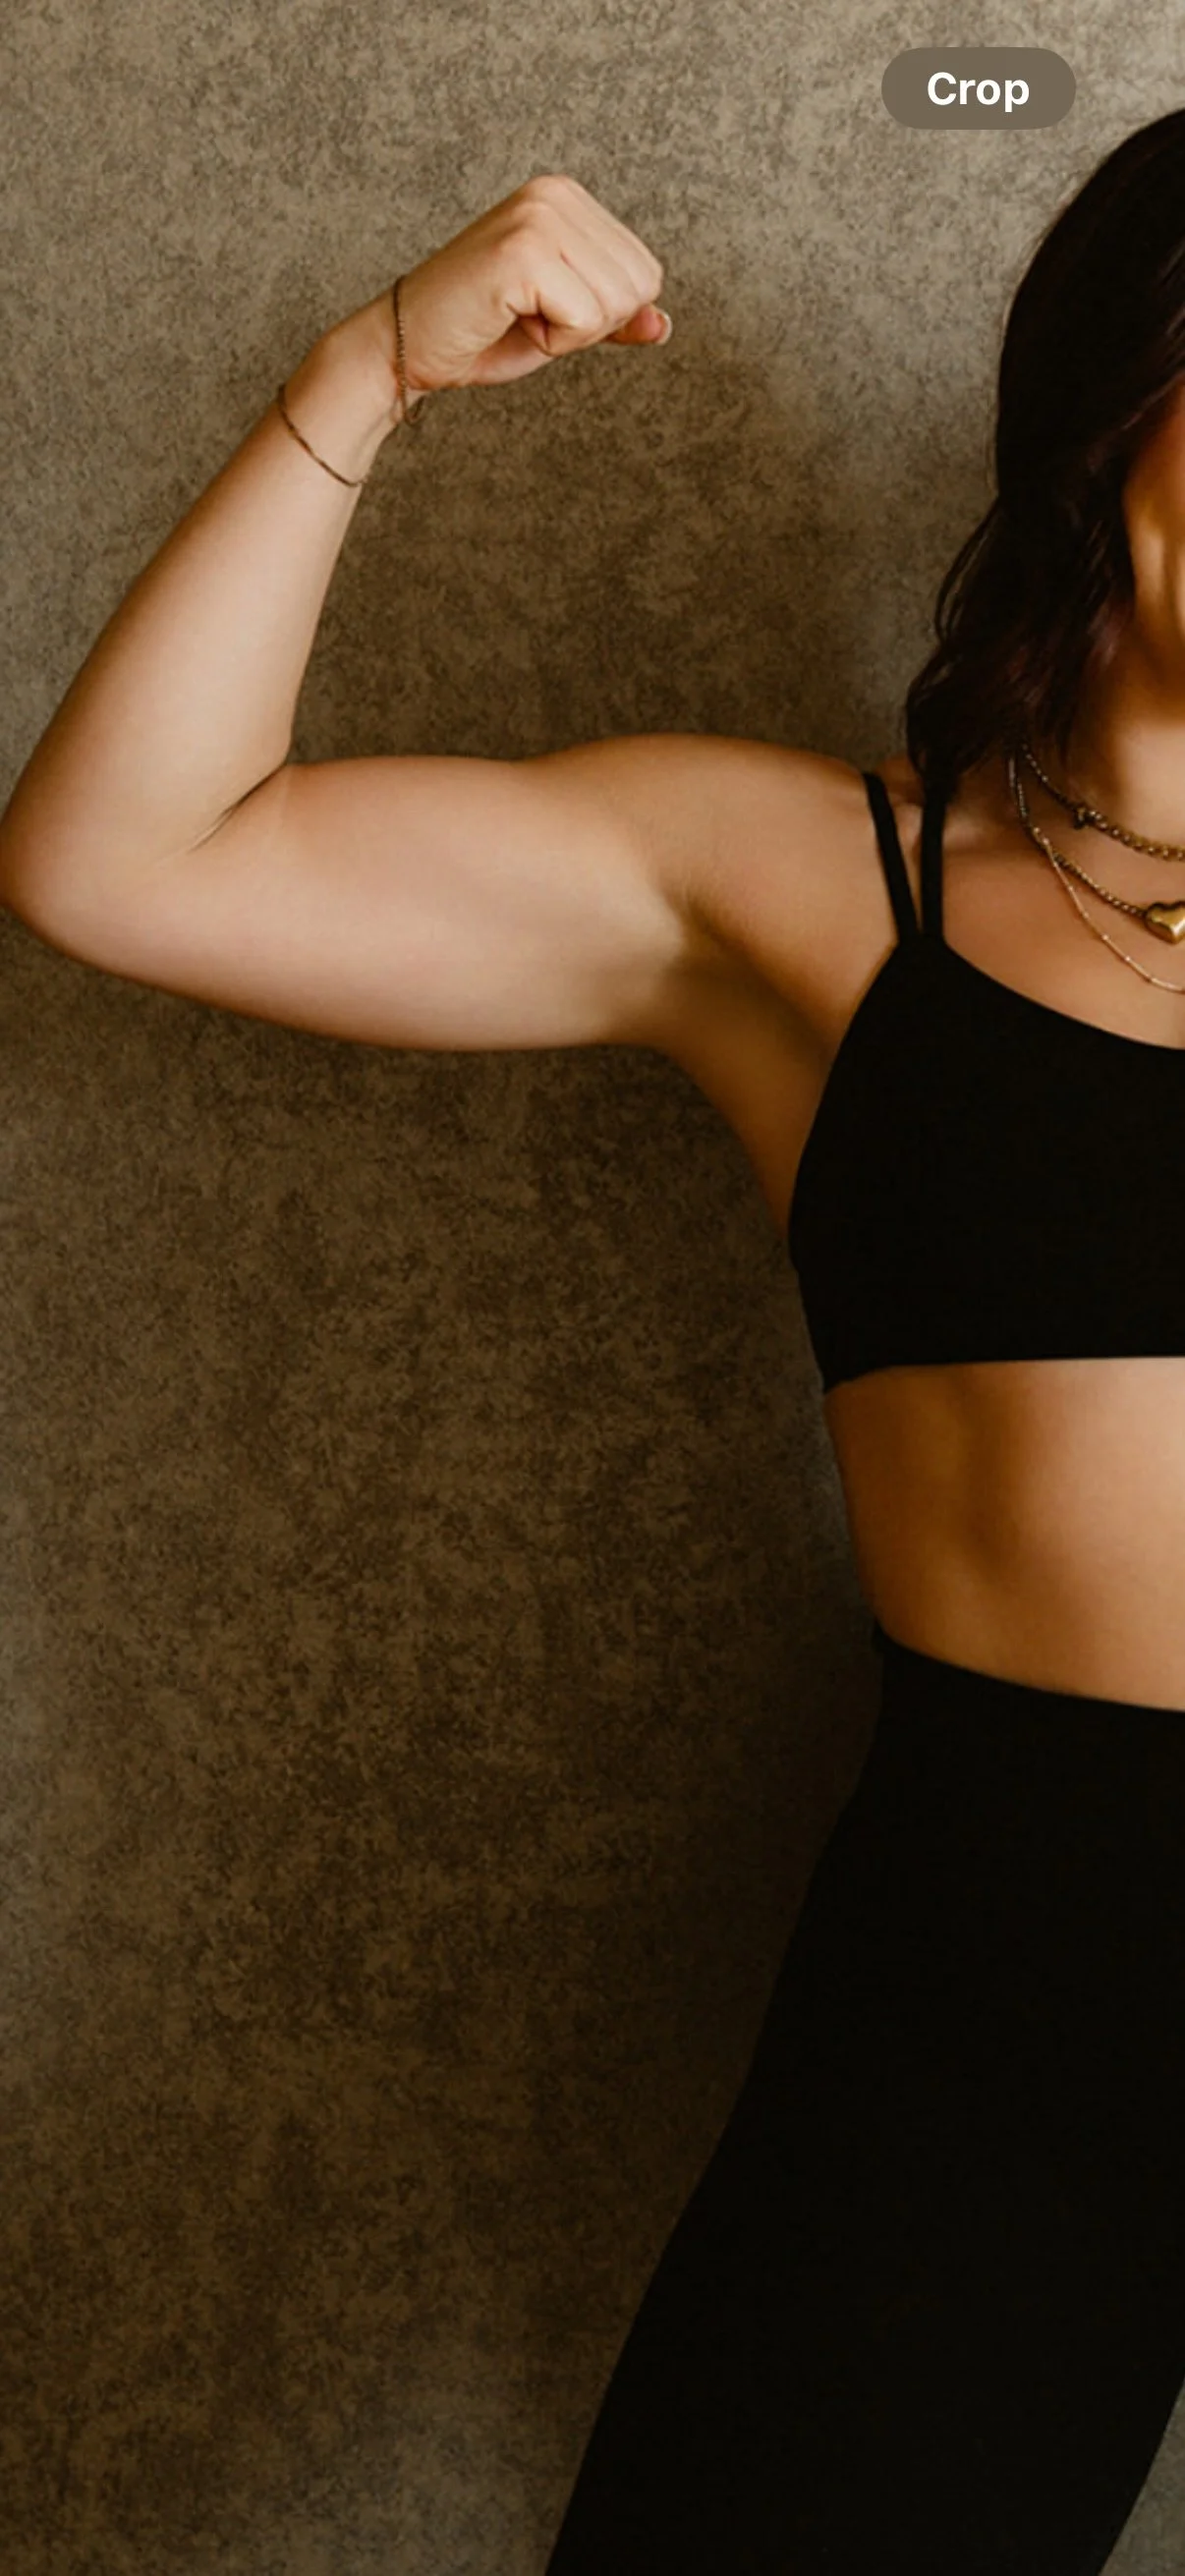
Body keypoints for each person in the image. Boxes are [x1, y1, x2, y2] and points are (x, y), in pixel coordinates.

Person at [4, 104, 1185, 2576]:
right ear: (1118, 413)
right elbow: (131, 861)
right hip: (1021, 1990)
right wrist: (364, 380)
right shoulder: (818, 885)